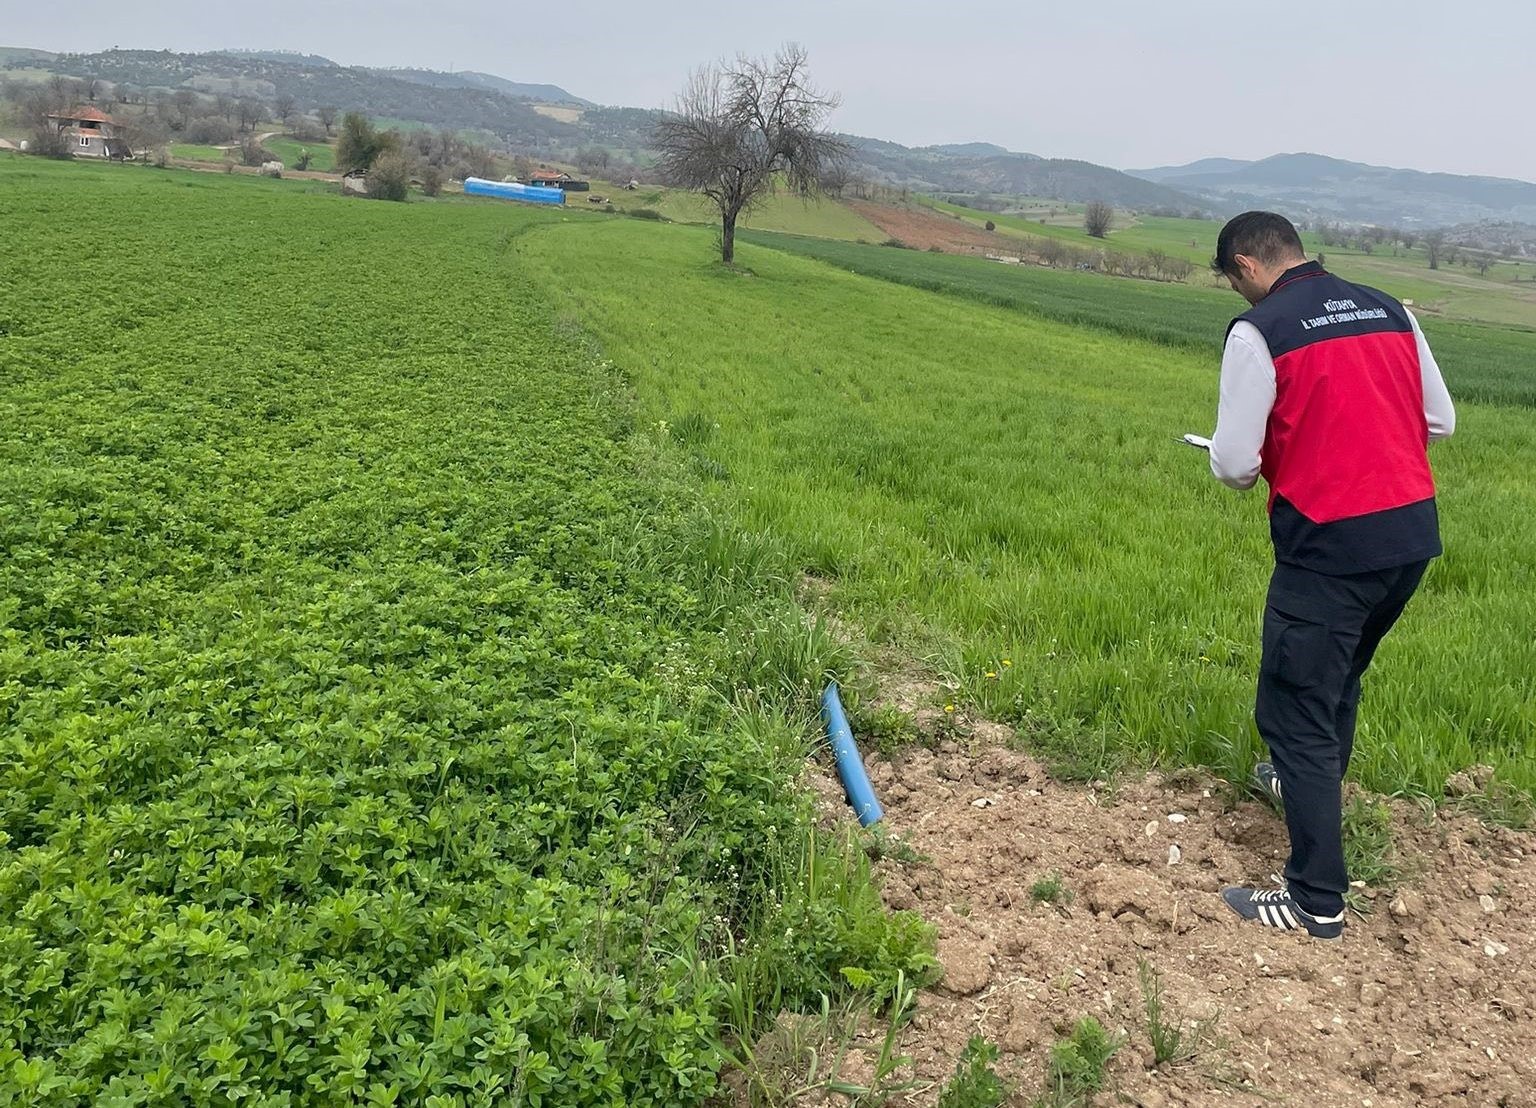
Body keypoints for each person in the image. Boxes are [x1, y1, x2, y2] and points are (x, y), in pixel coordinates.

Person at [1206, 211, 1456, 939]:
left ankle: (1316, 899)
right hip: (1408, 535)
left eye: (1232, 279)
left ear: (1247, 266)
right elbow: (1438, 420)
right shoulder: (1387, 308)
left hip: (1328, 546)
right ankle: (1295, 785)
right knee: (1338, 679)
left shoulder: (1259, 331)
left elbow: (1233, 465)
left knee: (1295, 708)